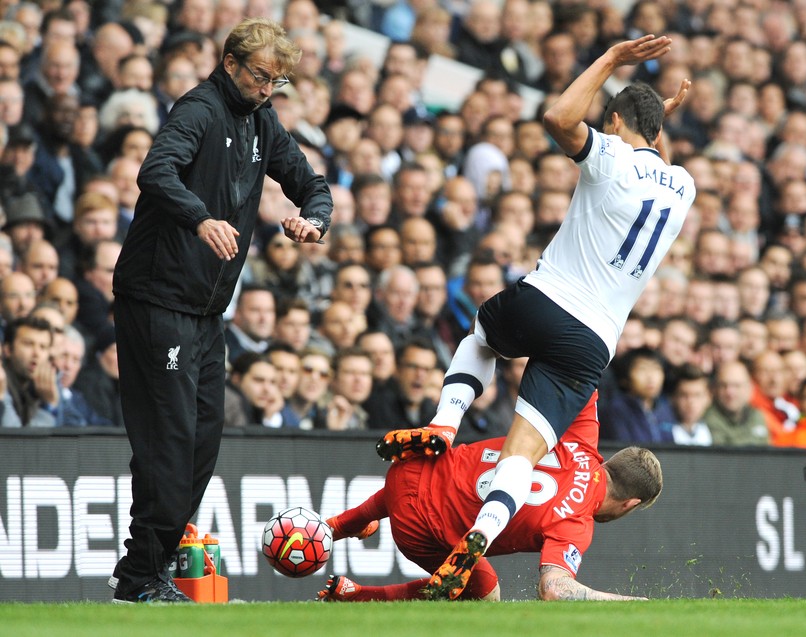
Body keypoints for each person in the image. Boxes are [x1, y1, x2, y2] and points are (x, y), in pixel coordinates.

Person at [375, 35, 694, 600]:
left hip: (549, 299)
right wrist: (654, 124)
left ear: (615, 120)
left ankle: (445, 424)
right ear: (660, 136)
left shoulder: (610, 155)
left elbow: (557, 116)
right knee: (525, 452)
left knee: (481, 331)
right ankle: (479, 534)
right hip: (594, 342)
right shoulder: (683, 185)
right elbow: (652, 164)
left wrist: (610, 61)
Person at [109, 18, 332, 604]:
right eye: (261, 76)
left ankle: (145, 570)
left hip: (207, 309)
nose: (266, 89)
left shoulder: (262, 119)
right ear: (230, 62)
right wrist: (201, 217)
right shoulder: (199, 110)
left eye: (277, 82)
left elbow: (312, 183)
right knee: (170, 440)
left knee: (203, 442)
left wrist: (313, 218)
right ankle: (141, 577)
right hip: (158, 299)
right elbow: (155, 171)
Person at [320, 395, 660, 602]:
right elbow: (555, 588)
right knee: (484, 591)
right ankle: (359, 595)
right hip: (420, 529)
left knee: (441, 487)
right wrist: (632, 601)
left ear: (608, 462)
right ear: (630, 504)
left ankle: (330, 527)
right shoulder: (576, 523)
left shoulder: (582, 439)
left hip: (412, 468)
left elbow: (581, 377)